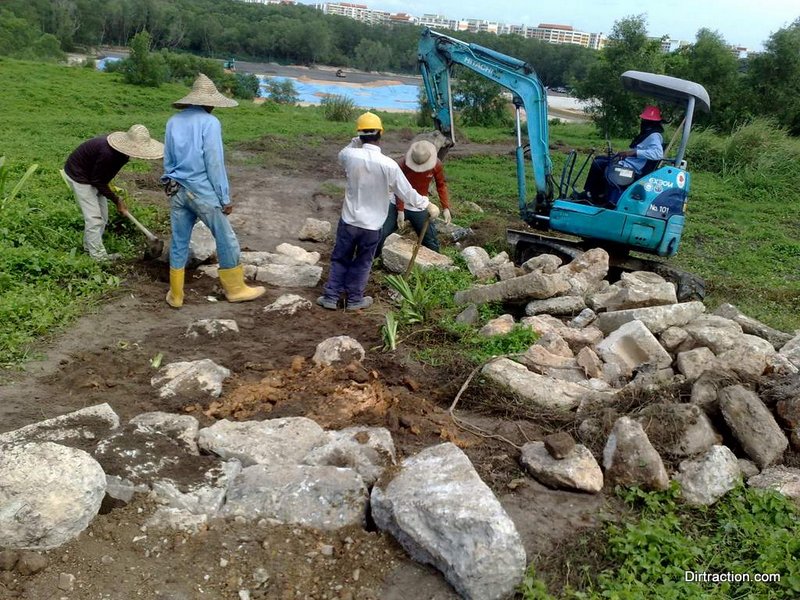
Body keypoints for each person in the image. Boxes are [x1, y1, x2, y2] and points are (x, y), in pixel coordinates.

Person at [317, 112, 440, 311]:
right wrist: (426, 204)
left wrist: (355, 141)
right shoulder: (388, 164)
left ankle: (331, 297)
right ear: (380, 134)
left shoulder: (349, 155)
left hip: (349, 221)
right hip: (372, 226)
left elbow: (343, 153)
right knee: (363, 262)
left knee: (341, 258)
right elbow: (406, 192)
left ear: (360, 134)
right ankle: (355, 299)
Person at [162, 73, 265, 308]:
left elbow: (167, 160)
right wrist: (224, 197)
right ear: (209, 102)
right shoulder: (210, 123)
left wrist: (169, 184)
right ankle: (236, 289)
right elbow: (214, 162)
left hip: (177, 189)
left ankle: (176, 295)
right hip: (202, 192)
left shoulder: (173, 121)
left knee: (179, 241)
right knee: (225, 237)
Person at [64, 124, 164, 261]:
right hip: (79, 175)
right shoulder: (108, 154)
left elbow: (103, 178)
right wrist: (117, 200)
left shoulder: (122, 155)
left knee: (103, 217)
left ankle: (89, 247)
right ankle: (98, 257)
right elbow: (97, 180)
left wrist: (115, 199)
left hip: (94, 176)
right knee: (94, 219)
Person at [378, 140, 452, 254]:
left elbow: (441, 185)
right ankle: (369, 260)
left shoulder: (436, 164)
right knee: (380, 235)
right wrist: (400, 210)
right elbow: (398, 187)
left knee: (431, 242)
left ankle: (434, 267)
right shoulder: (402, 164)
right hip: (397, 203)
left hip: (419, 205)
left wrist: (446, 208)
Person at [580, 105, 665, 204]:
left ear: (652, 122)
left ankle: (591, 194)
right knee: (600, 159)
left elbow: (658, 153)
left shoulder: (654, 135)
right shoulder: (649, 133)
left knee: (598, 164)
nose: (643, 122)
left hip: (634, 170)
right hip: (630, 164)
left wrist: (633, 153)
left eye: (646, 120)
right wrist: (625, 153)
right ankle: (595, 193)